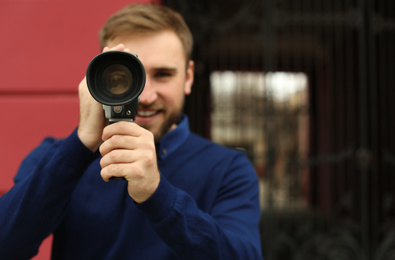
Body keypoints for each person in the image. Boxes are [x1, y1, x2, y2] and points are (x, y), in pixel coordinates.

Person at [0, 4, 262, 259]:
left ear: (189, 76)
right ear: (99, 77)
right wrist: (80, 146)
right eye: (124, 77)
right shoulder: (58, 157)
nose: (145, 96)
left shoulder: (228, 169)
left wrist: (157, 195)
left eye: (163, 74)